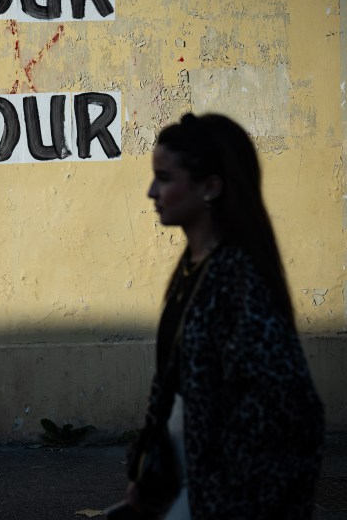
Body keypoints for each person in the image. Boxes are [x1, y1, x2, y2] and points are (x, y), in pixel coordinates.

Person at [122, 113, 325, 520]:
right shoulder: (193, 270)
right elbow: (173, 381)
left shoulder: (238, 281)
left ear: (211, 187)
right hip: (190, 486)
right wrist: (148, 470)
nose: (151, 191)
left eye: (164, 177)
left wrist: (226, 495)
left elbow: (293, 413)